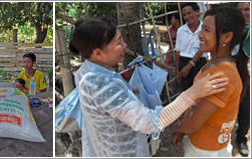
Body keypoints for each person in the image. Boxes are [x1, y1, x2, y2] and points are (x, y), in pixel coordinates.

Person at [69, 16, 229, 157]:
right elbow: (150, 122)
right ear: (98, 53)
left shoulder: (86, 71)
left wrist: (131, 91)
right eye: (119, 42)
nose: (125, 45)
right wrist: (193, 92)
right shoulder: (101, 84)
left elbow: (106, 102)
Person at [172, 6, 245, 157]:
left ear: (226, 37)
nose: (200, 35)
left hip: (207, 149)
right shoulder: (211, 65)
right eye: (202, 29)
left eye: (206, 30)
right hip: (198, 141)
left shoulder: (222, 76)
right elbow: (194, 101)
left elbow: (195, 124)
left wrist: (178, 128)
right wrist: (184, 126)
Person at [175, 2, 209, 93]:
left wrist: (190, 65)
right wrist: (177, 70)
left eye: (189, 13)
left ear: (197, 12)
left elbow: (202, 48)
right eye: (184, 15)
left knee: (199, 91)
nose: (187, 16)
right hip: (183, 63)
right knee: (185, 93)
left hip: (199, 63)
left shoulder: (204, 29)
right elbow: (177, 51)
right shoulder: (181, 30)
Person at [235, 1, 250, 157]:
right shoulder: (234, 31)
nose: (244, 13)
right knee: (238, 110)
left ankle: (241, 137)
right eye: (241, 10)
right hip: (238, 75)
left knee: (246, 112)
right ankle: (237, 137)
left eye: (247, 9)